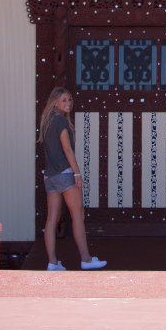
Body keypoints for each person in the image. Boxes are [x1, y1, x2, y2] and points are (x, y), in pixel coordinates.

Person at [38, 87, 106, 271]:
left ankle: (52, 262)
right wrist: (77, 173)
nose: (68, 103)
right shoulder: (60, 121)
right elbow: (67, 149)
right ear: (55, 103)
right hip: (66, 174)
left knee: (52, 219)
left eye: (69, 100)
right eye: (64, 101)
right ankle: (86, 259)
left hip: (49, 176)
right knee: (78, 215)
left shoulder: (46, 121)